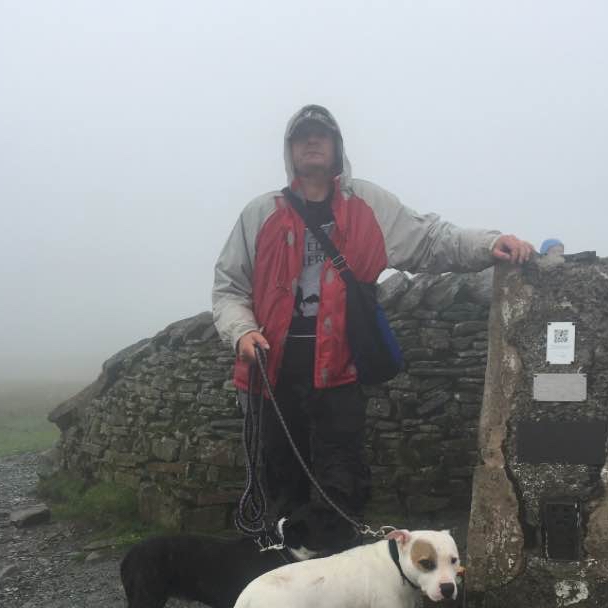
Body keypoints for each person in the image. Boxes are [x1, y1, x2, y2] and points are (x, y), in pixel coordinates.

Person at [212, 104, 533, 553]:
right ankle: (277, 582)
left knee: (339, 479)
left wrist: (488, 244)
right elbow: (229, 287)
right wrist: (242, 332)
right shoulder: (260, 213)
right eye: (302, 136)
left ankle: (330, 578)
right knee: (279, 478)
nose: (311, 142)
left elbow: (430, 239)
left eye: (321, 135)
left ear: (337, 146)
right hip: (271, 373)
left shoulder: (368, 206)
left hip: (339, 370)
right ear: (289, 152)